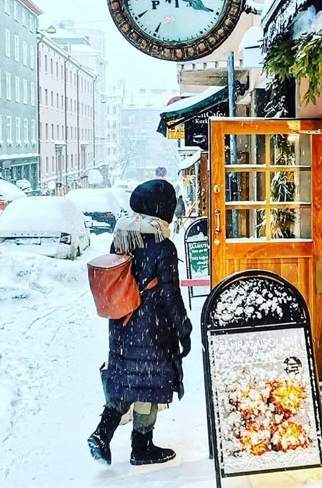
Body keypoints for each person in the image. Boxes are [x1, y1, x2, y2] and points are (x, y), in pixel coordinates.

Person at [87, 179, 192, 467]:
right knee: (148, 385)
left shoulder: (120, 238)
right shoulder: (163, 246)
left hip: (122, 323)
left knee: (126, 382)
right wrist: (184, 330)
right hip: (153, 329)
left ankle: (101, 433)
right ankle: (142, 447)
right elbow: (171, 296)